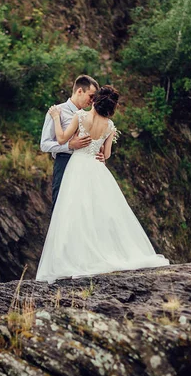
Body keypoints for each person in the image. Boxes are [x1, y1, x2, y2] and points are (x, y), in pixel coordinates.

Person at [35, 85, 169, 283]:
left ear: (96, 100)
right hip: (97, 169)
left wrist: (56, 118)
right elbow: (105, 155)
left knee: (74, 211)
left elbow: (63, 138)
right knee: (99, 212)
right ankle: (101, 252)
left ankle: (76, 257)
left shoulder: (80, 117)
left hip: (78, 166)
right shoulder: (110, 126)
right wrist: (100, 151)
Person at [40, 75, 102, 212]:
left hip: (85, 166)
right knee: (60, 207)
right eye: (91, 96)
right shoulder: (57, 111)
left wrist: (99, 154)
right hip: (64, 163)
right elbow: (44, 144)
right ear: (80, 91)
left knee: (82, 209)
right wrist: (68, 146)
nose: (92, 102)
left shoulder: (89, 117)